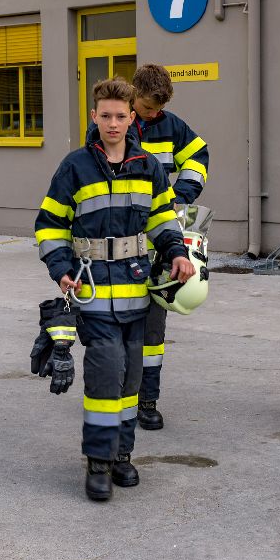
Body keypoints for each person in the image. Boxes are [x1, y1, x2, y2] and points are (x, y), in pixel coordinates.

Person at [35, 77, 193, 501]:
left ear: (131, 117)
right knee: (106, 374)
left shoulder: (147, 165)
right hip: (92, 292)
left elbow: (162, 219)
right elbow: (49, 224)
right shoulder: (75, 166)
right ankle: (99, 463)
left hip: (136, 292)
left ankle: (123, 455)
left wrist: (177, 253)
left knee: (130, 381)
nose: (113, 123)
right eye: (105, 116)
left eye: (120, 116)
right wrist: (61, 269)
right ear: (94, 116)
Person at [128, 64, 210, 431]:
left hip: (158, 245)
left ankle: (147, 401)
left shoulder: (171, 125)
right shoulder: (115, 122)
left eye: (158, 109)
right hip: (119, 245)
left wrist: (181, 195)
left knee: (152, 331)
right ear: (134, 94)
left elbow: (198, 156)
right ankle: (117, 395)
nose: (152, 115)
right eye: (147, 108)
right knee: (115, 327)